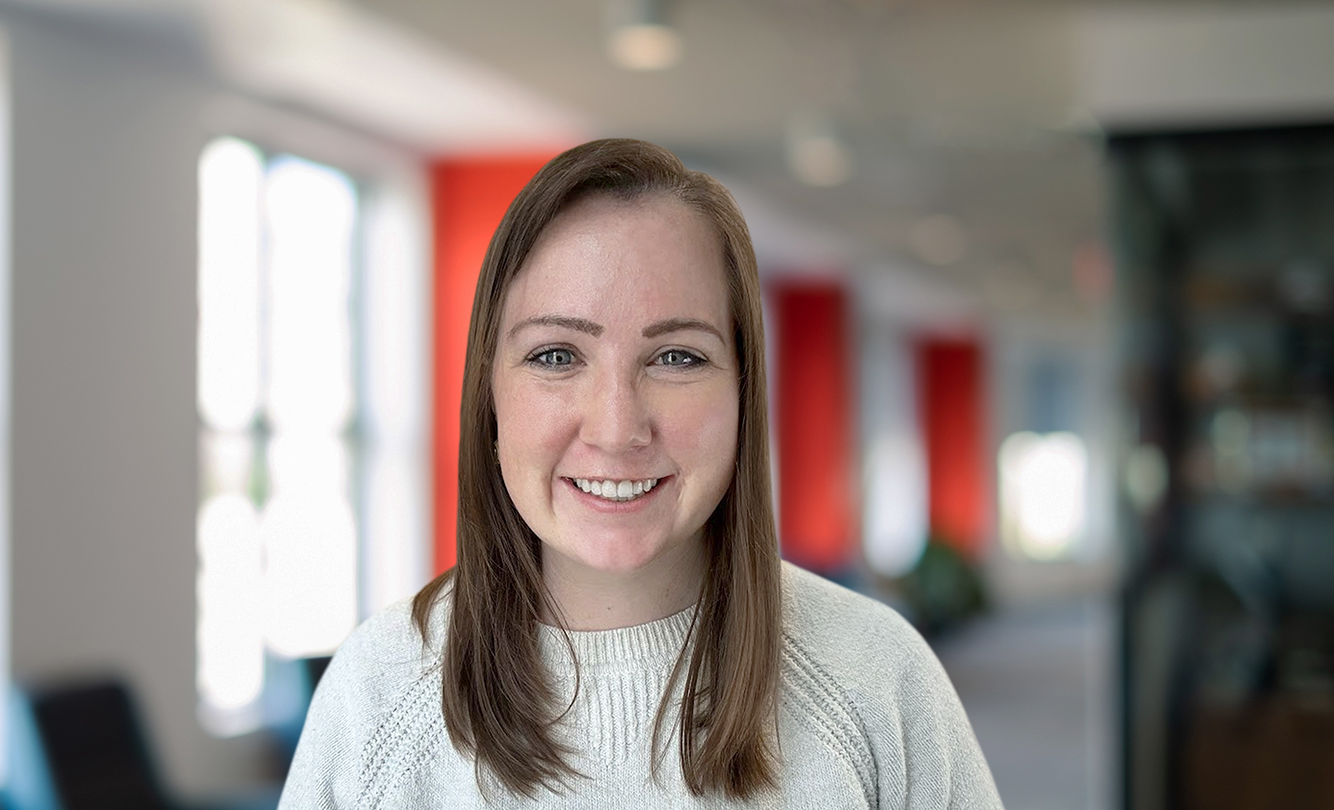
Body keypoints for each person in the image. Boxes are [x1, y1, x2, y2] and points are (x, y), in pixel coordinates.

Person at [279, 139, 1003, 809]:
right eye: (557, 356)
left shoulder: (876, 677)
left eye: (677, 358)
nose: (617, 428)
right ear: (489, 395)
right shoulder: (379, 692)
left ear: (744, 391)